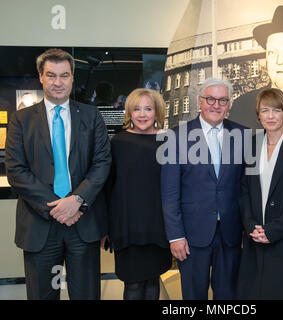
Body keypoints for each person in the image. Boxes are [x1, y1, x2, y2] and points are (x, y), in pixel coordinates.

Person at [5, 48, 111, 300]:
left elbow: (102, 162)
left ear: (73, 77)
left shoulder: (91, 116)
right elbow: (16, 170)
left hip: (82, 222)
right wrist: (57, 207)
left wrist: (76, 201)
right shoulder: (21, 120)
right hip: (39, 225)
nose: (58, 82)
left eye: (64, 75)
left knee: (86, 295)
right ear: (41, 77)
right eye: (51, 75)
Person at [161, 77, 247, 300]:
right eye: (210, 99)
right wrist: (175, 235)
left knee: (228, 296)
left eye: (222, 100)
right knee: (193, 296)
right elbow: (169, 193)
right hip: (190, 234)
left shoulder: (243, 136)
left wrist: (247, 228)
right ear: (200, 101)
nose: (216, 105)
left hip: (231, 233)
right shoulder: (175, 137)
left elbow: (247, 189)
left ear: (229, 105)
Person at [236, 88, 283, 299]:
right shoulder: (252, 144)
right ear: (258, 115)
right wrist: (251, 226)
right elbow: (244, 190)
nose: (270, 116)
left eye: (276, 110)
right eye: (265, 110)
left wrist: (273, 230)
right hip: (254, 238)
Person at [103, 88, 172, 300]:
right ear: (129, 113)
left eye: (148, 109)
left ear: (157, 112)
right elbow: (108, 188)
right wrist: (105, 228)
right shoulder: (118, 143)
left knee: (152, 282)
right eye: (137, 109)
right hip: (127, 228)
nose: (142, 114)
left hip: (158, 227)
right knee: (132, 285)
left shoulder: (169, 141)